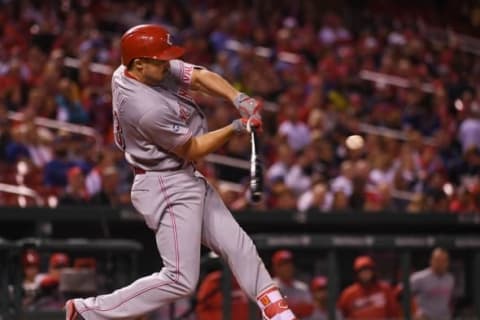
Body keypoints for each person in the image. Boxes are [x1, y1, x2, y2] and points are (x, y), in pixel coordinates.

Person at [65, 24, 298, 320]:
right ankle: (88, 311)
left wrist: (238, 98)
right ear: (139, 64)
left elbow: (198, 77)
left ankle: (275, 310)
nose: (167, 64)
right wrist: (236, 127)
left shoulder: (132, 69)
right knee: (180, 279)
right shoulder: (143, 107)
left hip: (179, 175)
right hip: (165, 183)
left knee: (238, 244)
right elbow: (193, 149)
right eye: (160, 60)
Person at [337, 255, 400, 319]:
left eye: (367, 270)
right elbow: (340, 315)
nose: (365, 273)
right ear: (357, 273)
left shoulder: (385, 289)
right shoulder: (348, 293)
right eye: (361, 271)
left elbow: (394, 314)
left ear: (373, 271)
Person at [410, 248, 454, 320]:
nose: (441, 263)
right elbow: (402, 297)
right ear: (431, 261)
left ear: (447, 262)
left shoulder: (450, 278)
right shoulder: (418, 278)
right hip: (425, 317)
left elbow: (449, 301)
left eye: (443, 260)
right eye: (438, 260)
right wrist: (414, 313)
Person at [272, 250, 314, 318]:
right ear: (275, 268)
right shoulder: (270, 287)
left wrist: (286, 307)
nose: (287, 267)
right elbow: (273, 312)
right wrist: (297, 307)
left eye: (289, 263)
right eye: (283, 265)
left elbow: (309, 310)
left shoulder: (302, 288)